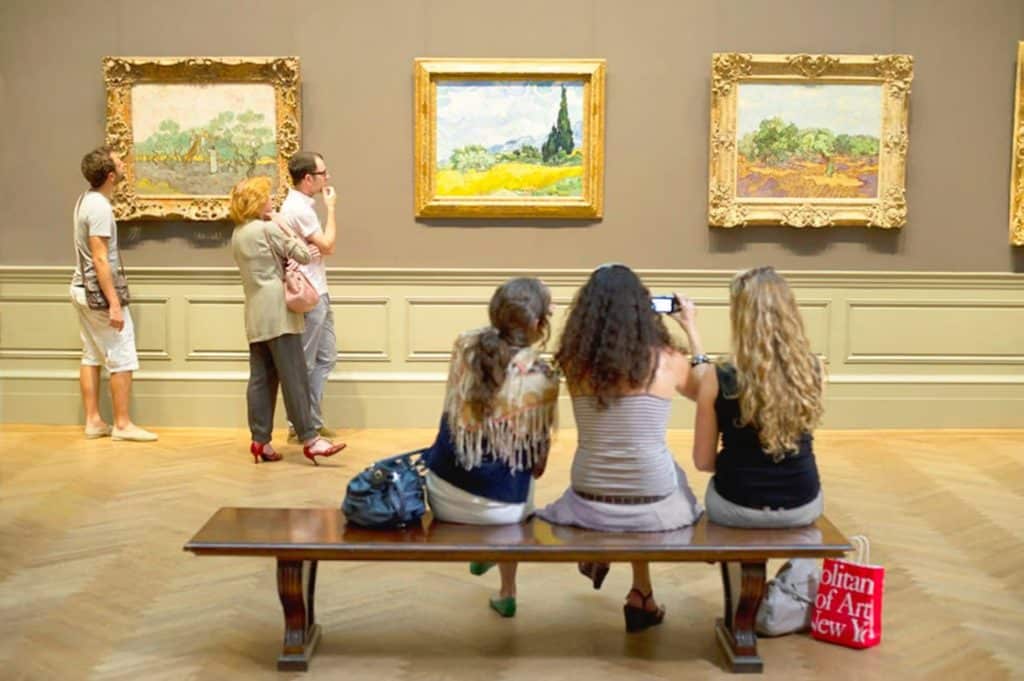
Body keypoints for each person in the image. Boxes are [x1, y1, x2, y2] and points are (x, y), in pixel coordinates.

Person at [536, 263, 704, 633]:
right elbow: (706, 391)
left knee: (621, 470)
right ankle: (639, 593)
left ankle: (616, 566)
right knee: (663, 473)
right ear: (642, 310)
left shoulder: (574, 364)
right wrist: (690, 327)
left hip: (590, 495)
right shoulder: (670, 363)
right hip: (651, 500)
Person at [423, 278, 559, 618]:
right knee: (520, 472)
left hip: (443, 495)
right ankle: (507, 590)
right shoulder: (543, 376)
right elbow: (538, 466)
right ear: (539, 322)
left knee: (498, 469)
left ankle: (491, 556)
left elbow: (491, 337)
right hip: (503, 510)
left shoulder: (465, 348)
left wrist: (525, 313)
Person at [688, 266, 823, 528]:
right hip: (802, 505)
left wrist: (743, 466)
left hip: (736, 504)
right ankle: (798, 568)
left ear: (739, 317)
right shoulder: (813, 371)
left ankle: (734, 569)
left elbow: (703, 461)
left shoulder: (718, 377)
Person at [229, 176, 346, 465]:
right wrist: (283, 225)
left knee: (261, 379)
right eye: (267, 196)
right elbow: (304, 255)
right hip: (279, 312)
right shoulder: (269, 228)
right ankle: (310, 438)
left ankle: (260, 441)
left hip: (255, 312)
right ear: (258, 202)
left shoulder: (239, 233)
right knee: (294, 377)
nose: (271, 200)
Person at [70, 146, 157, 442]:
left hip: (81, 288)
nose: (124, 166)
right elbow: (100, 258)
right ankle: (122, 424)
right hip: (97, 294)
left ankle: (94, 421)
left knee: (92, 354)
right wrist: (115, 304)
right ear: (110, 175)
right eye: (120, 163)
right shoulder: (100, 208)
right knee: (122, 354)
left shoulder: (85, 200)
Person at [278, 151, 339, 442]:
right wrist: (332, 208)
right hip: (310, 293)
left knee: (326, 357)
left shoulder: (300, 206)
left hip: (319, 290)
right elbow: (327, 246)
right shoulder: (299, 209)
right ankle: (300, 424)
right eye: (322, 173)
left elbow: (319, 249)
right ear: (307, 179)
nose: (327, 178)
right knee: (307, 361)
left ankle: (310, 419)